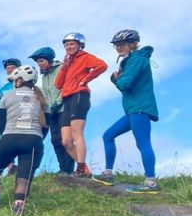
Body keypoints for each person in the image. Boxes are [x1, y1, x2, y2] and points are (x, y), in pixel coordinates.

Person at [94, 29, 160, 193]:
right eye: (116, 45)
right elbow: (126, 85)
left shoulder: (137, 60)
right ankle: (108, 173)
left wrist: (116, 79)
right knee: (108, 135)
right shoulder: (131, 61)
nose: (118, 47)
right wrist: (119, 79)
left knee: (143, 143)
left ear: (132, 44)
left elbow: (125, 84)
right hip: (132, 110)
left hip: (140, 108)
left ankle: (151, 182)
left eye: (122, 44)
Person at [0, 64, 46, 216]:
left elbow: (1, 124)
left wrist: (8, 137)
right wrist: (37, 138)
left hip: (10, 137)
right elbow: (46, 126)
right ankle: (17, 215)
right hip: (34, 140)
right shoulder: (41, 99)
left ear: (19, 80)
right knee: (23, 178)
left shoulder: (7, 96)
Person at [55, 32, 107, 177]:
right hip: (67, 98)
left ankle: (81, 168)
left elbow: (102, 66)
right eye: (66, 44)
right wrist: (64, 67)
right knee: (66, 141)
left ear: (80, 45)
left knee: (77, 133)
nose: (68, 47)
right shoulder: (68, 61)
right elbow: (58, 84)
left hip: (79, 95)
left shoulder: (85, 57)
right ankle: (84, 169)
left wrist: (85, 80)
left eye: (72, 44)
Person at [30, 46, 73, 174]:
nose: (39, 64)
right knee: (55, 140)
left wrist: (57, 103)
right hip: (51, 111)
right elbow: (45, 93)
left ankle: (69, 169)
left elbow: (65, 88)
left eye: (42, 61)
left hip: (63, 108)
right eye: (38, 62)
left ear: (49, 60)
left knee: (65, 140)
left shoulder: (61, 69)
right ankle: (62, 169)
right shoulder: (44, 76)